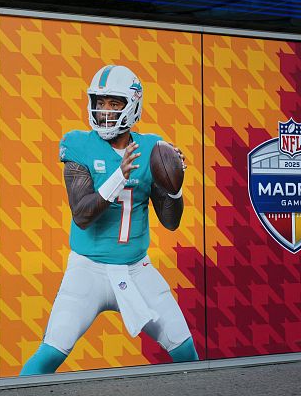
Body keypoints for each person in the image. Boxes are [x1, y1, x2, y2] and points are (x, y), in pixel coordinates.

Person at [20, 65, 199, 376]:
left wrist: (174, 185)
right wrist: (120, 175)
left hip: (136, 269)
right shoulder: (78, 144)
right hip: (87, 270)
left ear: (133, 105)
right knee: (48, 355)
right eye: (99, 102)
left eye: (114, 103)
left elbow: (171, 222)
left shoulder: (152, 148)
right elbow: (82, 214)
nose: (104, 111)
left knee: (186, 351)